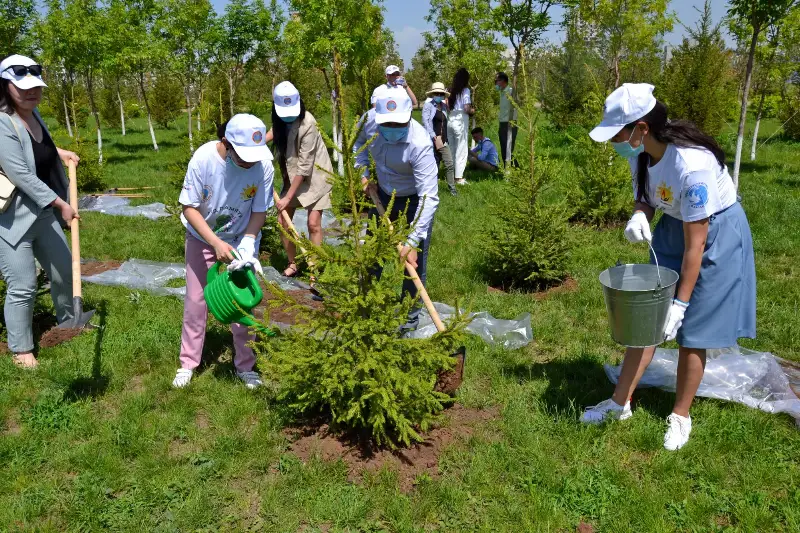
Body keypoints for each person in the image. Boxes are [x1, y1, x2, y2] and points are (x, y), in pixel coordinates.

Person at [581, 83, 756, 451]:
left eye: (618, 132)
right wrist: (638, 216)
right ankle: (619, 403)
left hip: (715, 233)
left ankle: (680, 415)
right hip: (676, 226)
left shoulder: (692, 168)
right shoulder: (640, 153)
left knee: (694, 330)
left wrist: (680, 305)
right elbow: (645, 197)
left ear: (641, 128)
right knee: (645, 317)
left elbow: (697, 247)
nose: (614, 139)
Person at [173, 113, 274, 389]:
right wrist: (215, 243)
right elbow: (189, 208)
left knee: (244, 302)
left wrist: (249, 242)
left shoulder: (263, 165)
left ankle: (246, 365)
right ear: (225, 144)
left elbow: (260, 209)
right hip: (202, 237)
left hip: (241, 239)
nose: (249, 162)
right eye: (243, 156)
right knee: (196, 301)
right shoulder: (204, 159)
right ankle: (188, 363)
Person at [0, 54, 81, 369]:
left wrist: (60, 152)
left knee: (63, 270)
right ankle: (21, 348)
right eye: (23, 87)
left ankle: (67, 321)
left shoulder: (33, 115)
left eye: (36, 86)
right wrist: (61, 204)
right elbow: (20, 173)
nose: (32, 93)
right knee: (23, 285)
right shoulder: (2, 122)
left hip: (42, 212)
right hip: (12, 219)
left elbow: (35, 148)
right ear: (6, 87)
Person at [354, 87, 439, 333]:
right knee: (373, 254)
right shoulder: (369, 122)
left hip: (414, 200)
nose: (391, 127)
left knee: (414, 262)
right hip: (381, 195)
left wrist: (411, 241)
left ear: (408, 118)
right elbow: (357, 144)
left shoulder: (420, 143)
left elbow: (429, 197)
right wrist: (364, 174)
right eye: (386, 123)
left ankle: (409, 317)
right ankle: (367, 304)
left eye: (397, 123)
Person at [269, 81, 334, 278]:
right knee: (283, 219)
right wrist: (256, 142)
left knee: (313, 222)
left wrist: (287, 197)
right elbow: (275, 132)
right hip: (292, 175)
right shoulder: (280, 119)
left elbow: (305, 167)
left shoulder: (309, 123)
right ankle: (293, 263)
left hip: (316, 176)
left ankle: (315, 268)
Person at [422, 82, 456, 196]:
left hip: (443, 140)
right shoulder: (428, 105)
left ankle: (452, 189)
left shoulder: (445, 106)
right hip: (432, 139)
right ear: (433, 94)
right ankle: (432, 190)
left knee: (449, 163)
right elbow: (426, 121)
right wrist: (432, 135)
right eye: (436, 93)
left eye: (440, 93)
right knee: (434, 165)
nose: (438, 95)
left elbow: (446, 121)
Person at [447, 68, 475, 185]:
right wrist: (473, 110)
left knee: (452, 149)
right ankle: (459, 178)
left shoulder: (449, 90)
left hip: (450, 119)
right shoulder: (465, 91)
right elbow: (466, 108)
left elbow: (447, 107)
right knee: (461, 149)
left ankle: (451, 175)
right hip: (460, 120)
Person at [495, 72, 516, 166]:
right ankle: (508, 169)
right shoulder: (501, 91)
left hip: (510, 122)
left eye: (497, 80)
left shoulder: (511, 91)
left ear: (503, 81)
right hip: (502, 123)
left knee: (509, 148)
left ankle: (514, 169)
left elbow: (516, 104)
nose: (496, 83)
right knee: (504, 147)